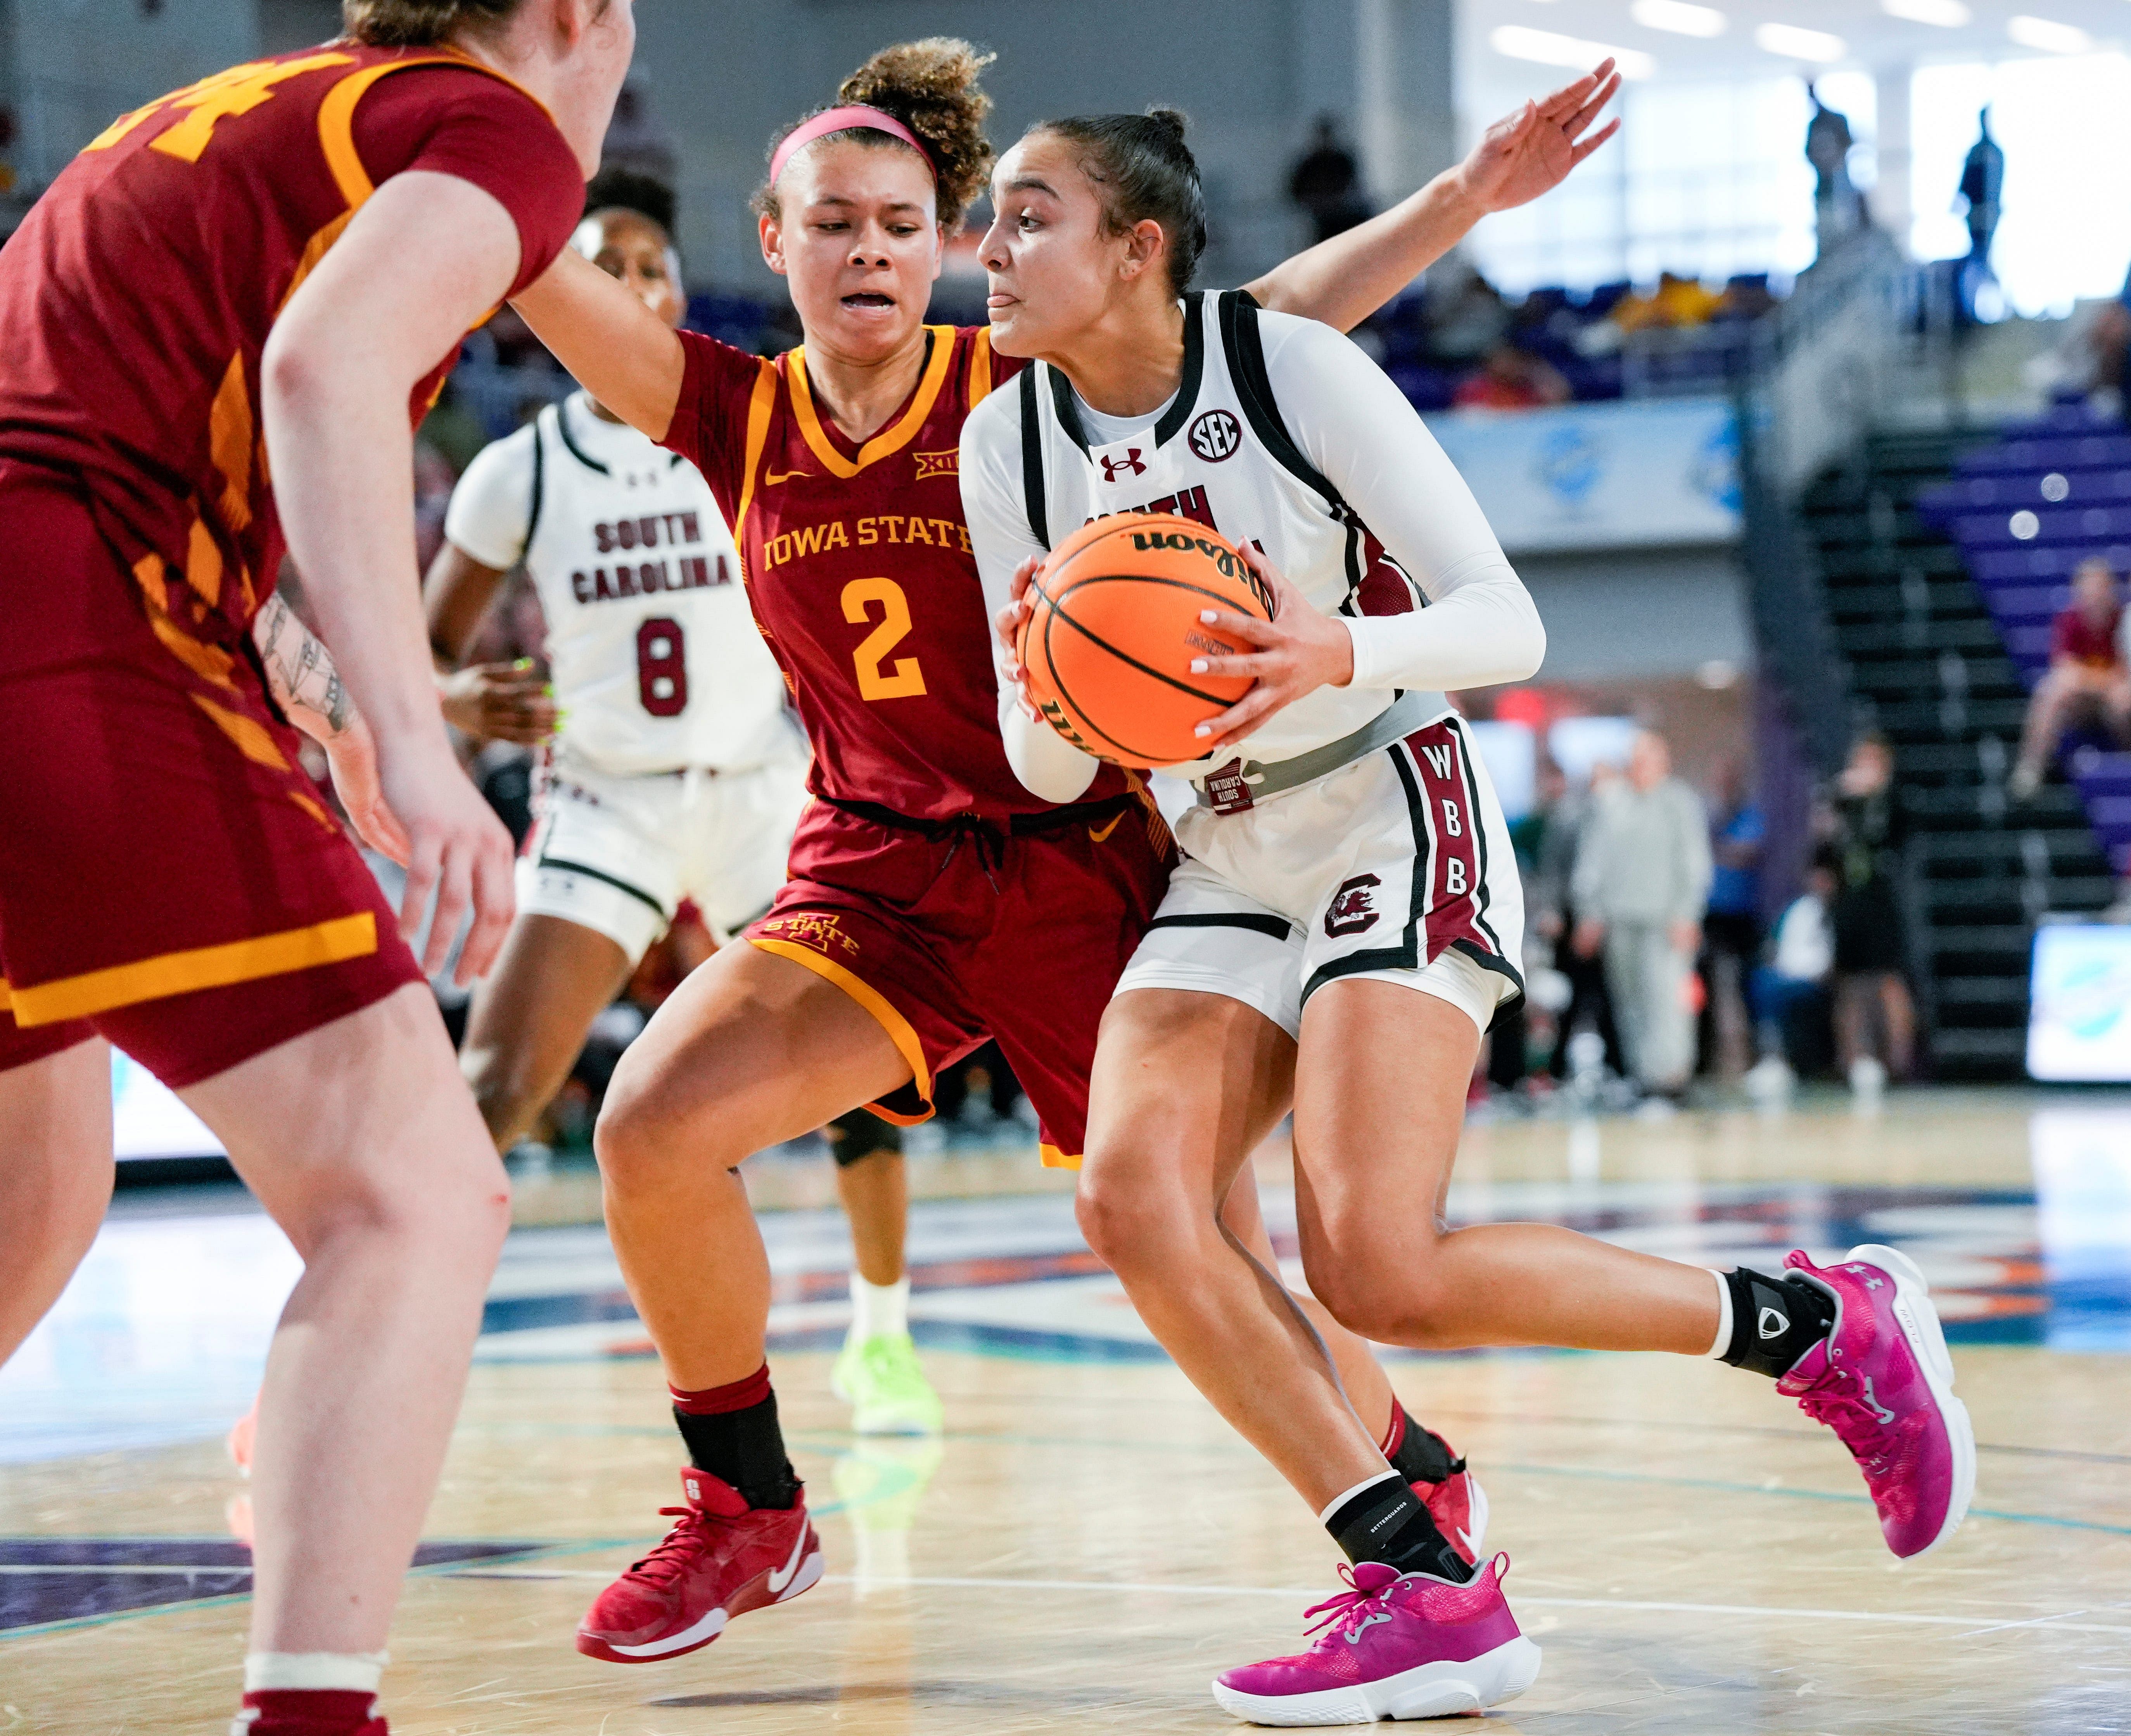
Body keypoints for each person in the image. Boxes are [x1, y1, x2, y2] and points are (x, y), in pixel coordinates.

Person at [507, 36, 1628, 1667]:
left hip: (1080, 862)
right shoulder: (730, 411)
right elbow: (538, 274)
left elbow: (1263, 327)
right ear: (775, 242)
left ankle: (1410, 1493)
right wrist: (479, 131)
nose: (869, 249)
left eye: (900, 220)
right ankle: (747, 1501)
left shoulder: (1012, 389)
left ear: (943, 239)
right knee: (650, 1127)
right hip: (875, 868)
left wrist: (1455, 202)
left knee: (1210, 1236)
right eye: (831, 222)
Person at [967, 107, 1973, 1722]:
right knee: (1134, 1201)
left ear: (1134, 249)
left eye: (1026, 218)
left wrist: (1334, 654)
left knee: (1375, 1268)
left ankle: (1813, 1324)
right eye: (988, 222)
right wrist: (1043, 671)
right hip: (1220, 853)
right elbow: (1035, 757)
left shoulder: (1287, 369)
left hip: (1384, 792)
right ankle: (1413, 1571)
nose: (989, 251)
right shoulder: (1003, 442)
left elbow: (1502, 622)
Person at [0, 3, 632, 1733]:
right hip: (65, 633)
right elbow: (320, 371)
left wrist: (334, 696)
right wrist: (422, 741)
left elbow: (176, 421)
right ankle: (309, 1718)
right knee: (416, 1198)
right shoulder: (488, 128)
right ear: (577, 16)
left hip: (66, 600)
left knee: (28, 1206)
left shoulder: (243, 104)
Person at [420, 170, 942, 1434]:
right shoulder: (518, 469)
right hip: (611, 798)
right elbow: (420, 661)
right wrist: (455, 698)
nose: (635, 290)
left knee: (861, 1079)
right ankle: (386, 1348)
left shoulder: (748, 416)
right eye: (607, 268)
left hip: (768, 783)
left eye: (653, 269)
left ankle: (880, 1332)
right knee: (494, 1084)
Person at [1569, 730, 1711, 1103]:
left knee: (1665, 1001)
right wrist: (1589, 913)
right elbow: (1593, 862)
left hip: (1664, 920)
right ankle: (1642, 1079)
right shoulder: (1614, 803)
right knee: (1629, 1002)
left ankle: (1670, 1080)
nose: (1639, 765)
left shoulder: (1679, 802)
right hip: (1620, 919)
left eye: (1646, 757)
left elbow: (1694, 862)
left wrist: (1687, 913)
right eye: (1634, 758)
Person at [1825, 732, 1915, 1095]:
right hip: (1849, 902)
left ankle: (1899, 1061)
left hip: (1881, 902)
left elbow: (1898, 835)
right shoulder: (1841, 803)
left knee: (1888, 982)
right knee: (1848, 985)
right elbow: (1826, 850)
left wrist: (1873, 795)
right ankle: (1851, 1061)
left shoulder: (1892, 803)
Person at [2010, 555, 2130, 801]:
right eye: (2089, 589)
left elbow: (2124, 673)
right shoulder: (2070, 620)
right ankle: (2031, 767)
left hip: (2116, 700)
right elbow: (2065, 671)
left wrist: (2093, 679)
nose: (2095, 596)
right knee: (2050, 693)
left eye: (2100, 589)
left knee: (2122, 701)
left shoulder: (2123, 621)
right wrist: (2104, 680)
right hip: (2085, 702)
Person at [1701, 756, 1764, 1080]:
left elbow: (1747, 851)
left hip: (1742, 912)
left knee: (1745, 983)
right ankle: (1711, 1055)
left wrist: (1717, 850)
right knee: (1709, 985)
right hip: (1712, 913)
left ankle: (1753, 1055)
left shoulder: (1748, 814)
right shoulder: (1710, 816)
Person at [1288, 114, 1369, 244]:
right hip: (1319, 218)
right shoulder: (1310, 164)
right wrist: (1317, 203)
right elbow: (1295, 192)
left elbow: (1353, 187)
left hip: (1344, 214)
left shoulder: (1342, 160)